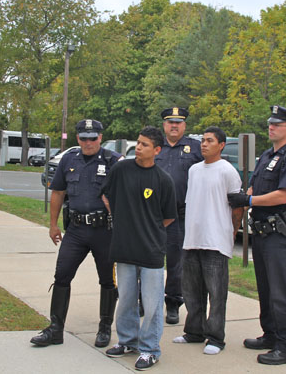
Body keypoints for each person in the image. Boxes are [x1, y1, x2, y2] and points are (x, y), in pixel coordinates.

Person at [228, 105, 286, 365]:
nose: (271, 127)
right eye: (270, 123)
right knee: (265, 288)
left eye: (277, 124)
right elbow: (255, 185)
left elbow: (283, 195)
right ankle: (271, 335)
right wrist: (247, 194)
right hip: (262, 233)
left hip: (280, 235)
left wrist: (249, 199)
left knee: (280, 291)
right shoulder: (266, 156)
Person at [30, 119, 121, 348]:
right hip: (77, 230)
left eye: (93, 138)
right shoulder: (69, 159)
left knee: (107, 281)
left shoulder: (114, 161)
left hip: (105, 230)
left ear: (101, 137)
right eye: (83, 138)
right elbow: (58, 192)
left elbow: (127, 195)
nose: (88, 142)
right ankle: (55, 329)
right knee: (62, 275)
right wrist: (53, 224)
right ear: (77, 138)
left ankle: (104, 327)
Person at [102, 126, 177, 371]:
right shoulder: (121, 170)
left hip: (151, 251)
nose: (139, 147)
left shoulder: (163, 180)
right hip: (124, 247)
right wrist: (122, 218)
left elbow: (168, 217)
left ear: (156, 150)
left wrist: (148, 229)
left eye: (145, 145)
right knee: (125, 300)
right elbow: (105, 196)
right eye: (138, 142)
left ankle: (149, 350)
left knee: (153, 304)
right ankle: (127, 341)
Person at [172, 126, 243, 355]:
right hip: (193, 238)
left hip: (215, 240)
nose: (204, 144)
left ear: (221, 145)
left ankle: (215, 337)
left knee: (216, 292)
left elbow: (237, 206)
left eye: (209, 141)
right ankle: (194, 331)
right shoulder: (194, 170)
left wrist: (232, 231)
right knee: (192, 291)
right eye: (202, 140)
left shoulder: (227, 171)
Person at [155, 107, 202, 324]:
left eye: (178, 123)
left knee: (176, 263)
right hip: (152, 215)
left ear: (184, 126)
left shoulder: (195, 148)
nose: (174, 126)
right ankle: (143, 300)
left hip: (180, 215)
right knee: (147, 258)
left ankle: (173, 302)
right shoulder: (155, 146)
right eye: (170, 122)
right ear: (164, 125)